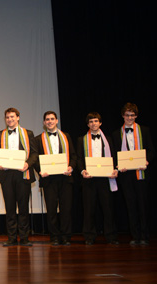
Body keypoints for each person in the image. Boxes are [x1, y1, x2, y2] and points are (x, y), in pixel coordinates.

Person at [112, 103, 155, 245]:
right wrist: (118, 165)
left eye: (132, 115)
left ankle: (144, 235)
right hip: (126, 175)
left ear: (136, 116)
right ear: (122, 116)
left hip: (140, 172)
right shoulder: (116, 133)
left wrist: (147, 161)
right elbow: (115, 154)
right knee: (130, 205)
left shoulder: (145, 130)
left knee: (143, 205)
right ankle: (135, 236)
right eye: (127, 115)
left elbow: (151, 150)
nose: (129, 118)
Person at [0, 107, 38, 247]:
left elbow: (34, 154)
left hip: (22, 174)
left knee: (23, 208)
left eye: (12, 117)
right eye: (7, 117)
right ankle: (12, 238)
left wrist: (27, 164)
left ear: (18, 117)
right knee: (10, 208)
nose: (10, 119)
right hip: (6, 175)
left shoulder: (28, 133)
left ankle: (24, 238)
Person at [34, 111, 76, 246]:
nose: (50, 121)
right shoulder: (38, 139)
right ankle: (54, 237)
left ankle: (66, 236)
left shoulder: (66, 136)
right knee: (51, 209)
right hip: (48, 179)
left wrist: (71, 167)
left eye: (52, 119)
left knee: (66, 209)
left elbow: (74, 156)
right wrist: (40, 170)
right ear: (44, 122)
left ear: (57, 120)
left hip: (65, 178)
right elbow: (35, 159)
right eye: (47, 119)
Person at [77, 112, 119, 245]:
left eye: (96, 121)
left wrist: (115, 170)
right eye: (91, 122)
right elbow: (78, 158)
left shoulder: (109, 139)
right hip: (89, 178)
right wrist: (83, 171)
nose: (93, 124)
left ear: (100, 123)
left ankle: (111, 236)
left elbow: (115, 156)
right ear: (87, 124)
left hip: (105, 178)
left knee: (108, 208)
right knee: (89, 209)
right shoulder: (81, 140)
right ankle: (89, 236)